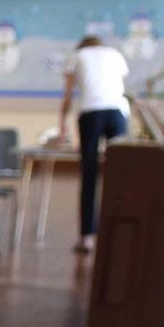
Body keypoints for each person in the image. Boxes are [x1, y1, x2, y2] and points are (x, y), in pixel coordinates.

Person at [57, 35, 130, 254]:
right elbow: (119, 87)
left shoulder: (77, 56)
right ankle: (119, 233)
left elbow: (68, 95)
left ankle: (86, 236)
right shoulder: (115, 54)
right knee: (119, 176)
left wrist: (62, 125)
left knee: (89, 174)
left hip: (91, 113)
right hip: (117, 113)